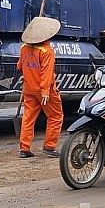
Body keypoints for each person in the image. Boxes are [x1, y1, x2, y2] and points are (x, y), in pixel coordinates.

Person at [16, 15, 64, 159]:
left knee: (28, 118)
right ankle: (49, 146)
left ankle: (24, 148)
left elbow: (19, 66)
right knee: (55, 116)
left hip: (29, 89)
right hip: (45, 90)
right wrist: (45, 92)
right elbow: (47, 73)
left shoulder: (24, 47)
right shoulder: (46, 51)